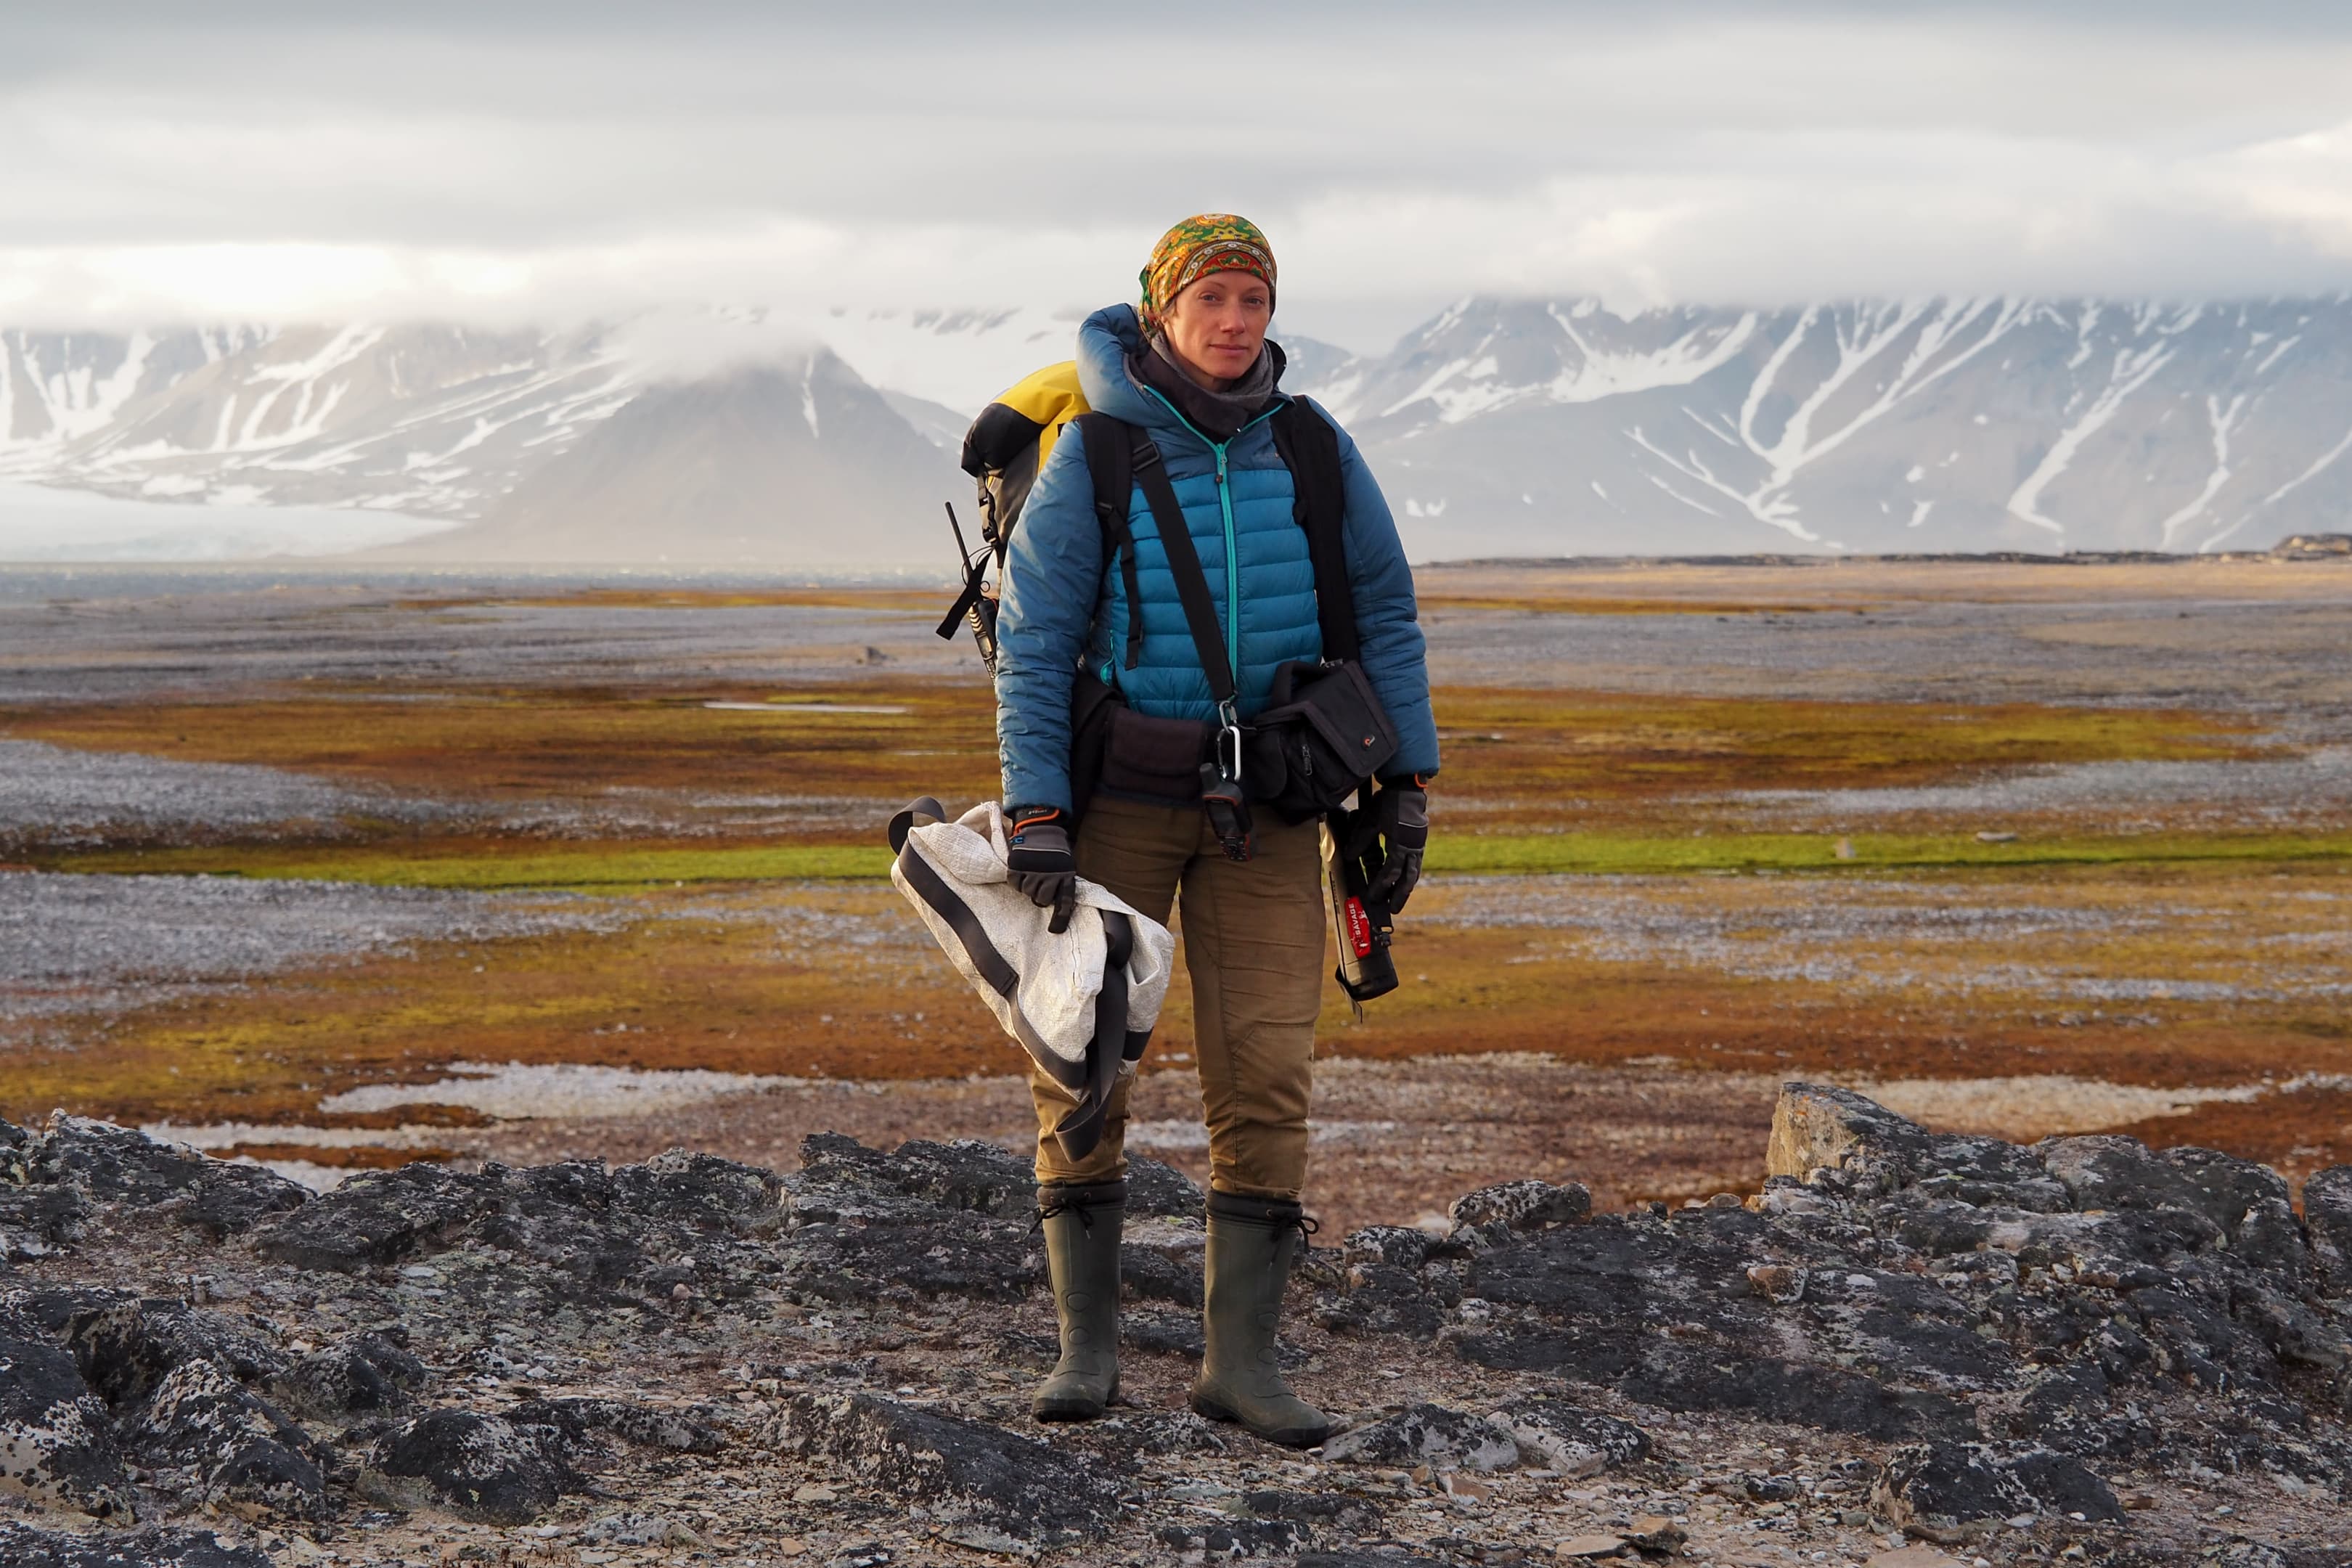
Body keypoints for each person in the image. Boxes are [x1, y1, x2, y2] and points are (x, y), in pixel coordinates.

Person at [990, 214, 1439, 1445]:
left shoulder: (1312, 447)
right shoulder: (1097, 453)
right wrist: (1036, 811)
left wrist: (1405, 784)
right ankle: (1086, 1356)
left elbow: (1387, 617)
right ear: (1160, 311)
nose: (1235, 321)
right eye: (1212, 300)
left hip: (1272, 812)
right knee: (1082, 1062)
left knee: (1268, 1075)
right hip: (1122, 802)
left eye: (1253, 298)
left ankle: (1239, 1365)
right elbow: (1033, 647)